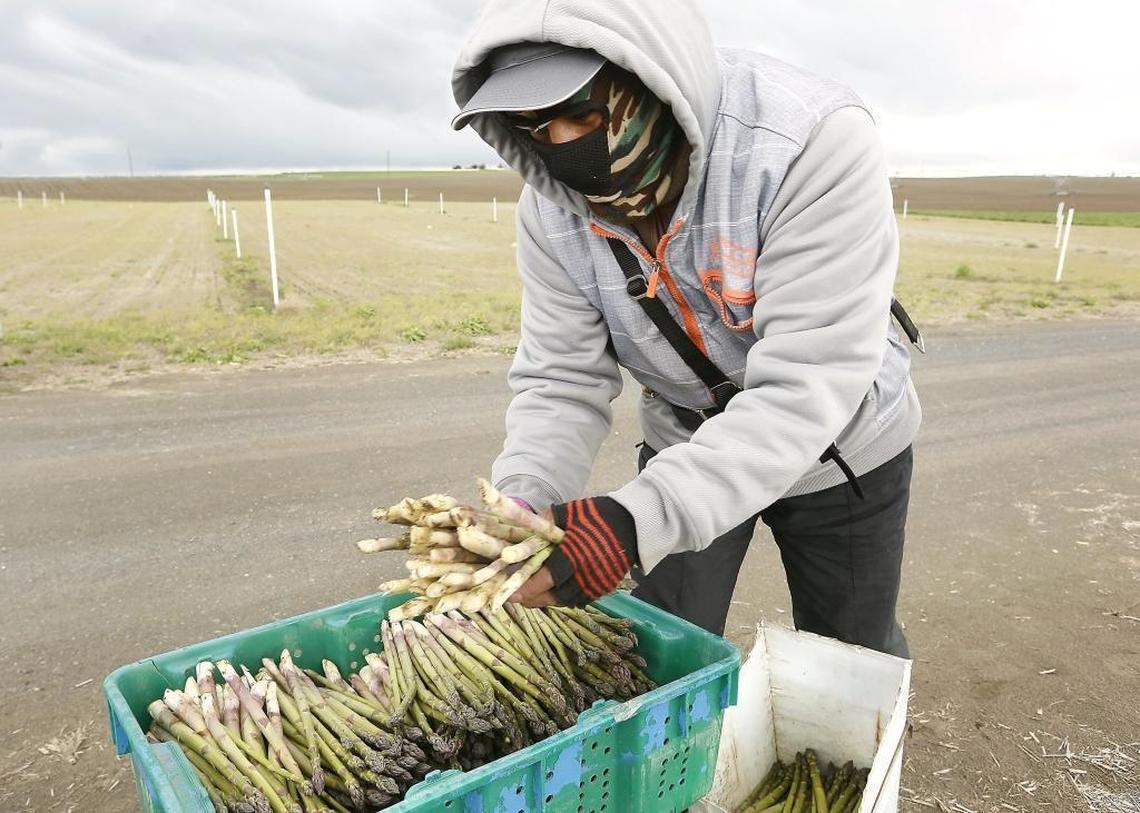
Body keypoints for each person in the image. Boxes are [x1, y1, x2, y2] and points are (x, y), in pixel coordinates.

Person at [450, 0, 921, 657]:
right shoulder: (550, 216)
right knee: (654, 654)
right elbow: (561, 383)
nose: (562, 148)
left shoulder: (807, 144)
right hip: (687, 441)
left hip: (840, 448)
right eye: (535, 126)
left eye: (584, 115)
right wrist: (523, 506)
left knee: (849, 656)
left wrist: (630, 525)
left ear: (652, 80)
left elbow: (805, 387)